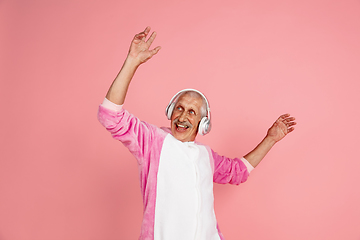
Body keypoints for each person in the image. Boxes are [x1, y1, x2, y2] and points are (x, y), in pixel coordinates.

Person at [97, 27, 296, 240]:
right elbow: (111, 116)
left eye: (191, 112)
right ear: (170, 112)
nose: (182, 117)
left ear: (203, 124)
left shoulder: (206, 155)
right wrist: (132, 62)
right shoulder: (153, 141)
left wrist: (271, 139)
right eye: (179, 108)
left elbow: (238, 172)